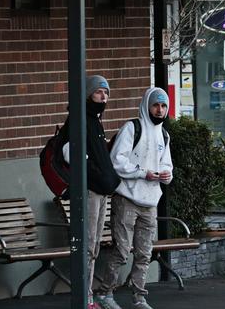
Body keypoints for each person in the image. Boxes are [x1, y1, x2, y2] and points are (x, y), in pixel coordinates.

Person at [96, 88, 173, 309]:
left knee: (144, 253)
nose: (160, 110)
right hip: (127, 199)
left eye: (163, 106)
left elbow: (167, 164)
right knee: (121, 251)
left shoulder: (164, 135)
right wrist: (142, 173)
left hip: (150, 202)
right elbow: (117, 161)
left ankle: (139, 297)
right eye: (156, 105)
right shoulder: (132, 128)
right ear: (147, 106)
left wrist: (166, 175)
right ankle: (105, 293)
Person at [62, 75, 121, 309]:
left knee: (95, 243)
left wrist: (108, 179)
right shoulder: (78, 120)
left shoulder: (95, 120)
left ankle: (87, 296)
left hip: (101, 189)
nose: (103, 97)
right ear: (88, 94)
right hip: (89, 190)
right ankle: (84, 297)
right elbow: (72, 154)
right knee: (87, 244)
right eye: (99, 92)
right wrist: (98, 176)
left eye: (106, 93)